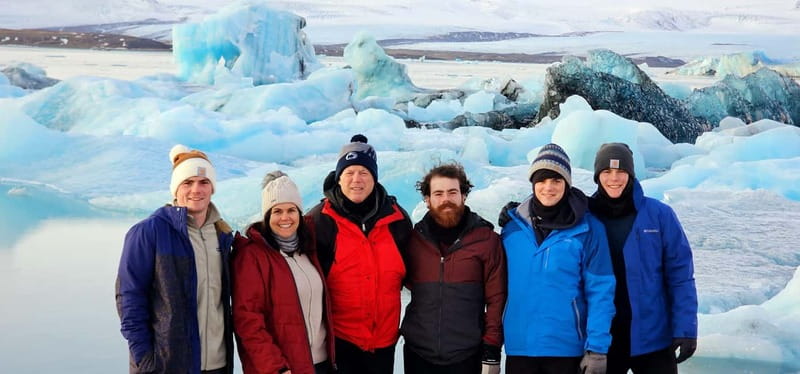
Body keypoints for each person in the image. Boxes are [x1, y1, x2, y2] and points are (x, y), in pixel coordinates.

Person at [116, 144, 234, 374]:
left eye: (203, 182)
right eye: (187, 183)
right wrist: (145, 359)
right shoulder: (149, 232)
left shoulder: (222, 236)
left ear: (212, 188)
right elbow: (129, 298)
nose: (196, 190)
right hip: (167, 365)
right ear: (175, 189)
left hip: (217, 364)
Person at [499, 143, 616, 374]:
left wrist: (597, 349)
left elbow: (601, 291)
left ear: (567, 184)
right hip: (519, 348)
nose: (548, 188)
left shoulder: (589, 229)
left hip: (566, 350)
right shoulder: (512, 230)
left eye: (556, 181)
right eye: (541, 181)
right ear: (533, 184)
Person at [589, 143, 698, 374]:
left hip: (653, 337)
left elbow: (681, 276)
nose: (614, 178)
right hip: (603, 340)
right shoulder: (584, 216)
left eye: (621, 172)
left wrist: (686, 328)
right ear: (597, 176)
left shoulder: (659, 214)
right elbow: (548, 206)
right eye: (607, 172)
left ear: (631, 174)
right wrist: (517, 211)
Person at [307, 134, 412, 374]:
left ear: (374, 178)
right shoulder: (319, 221)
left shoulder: (397, 219)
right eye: (349, 172)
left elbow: (418, 270)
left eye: (364, 173)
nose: (357, 180)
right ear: (338, 177)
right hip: (339, 342)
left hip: (384, 341)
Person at [401, 162, 507, 374]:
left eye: (452, 192)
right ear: (427, 199)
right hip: (418, 354)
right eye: (438, 193)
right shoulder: (413, 241)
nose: (446, 199)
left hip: (467, 355)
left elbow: (497, 299)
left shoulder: (486, 241)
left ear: (464, 195)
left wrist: (492, 347)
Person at [231, 171, 334, 374]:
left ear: (300, 214)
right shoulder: (252, 257)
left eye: (291, 210)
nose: (285, 217)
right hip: (284, 367)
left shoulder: (308, 249)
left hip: (321, 364)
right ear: (267, 215)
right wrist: (275, 368)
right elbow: (248, 321)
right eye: (277, 211)